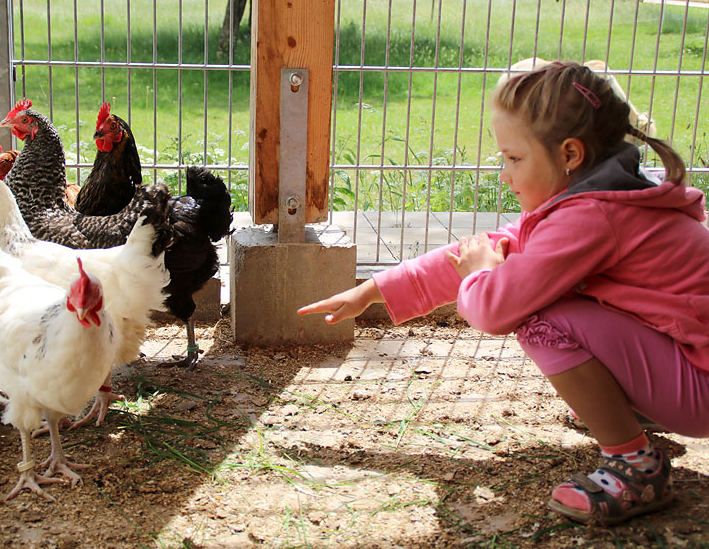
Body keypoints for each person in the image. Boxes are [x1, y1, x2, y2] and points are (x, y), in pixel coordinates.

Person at [298, 62, 709, 525]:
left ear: (570, 154)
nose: (503, 174)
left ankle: (636, 467)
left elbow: (495, 310)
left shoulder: (590, 218)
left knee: (541, 319)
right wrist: (373, 291)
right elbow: (489, 249)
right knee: (555, 299)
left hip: (700, 388)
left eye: (513, 159)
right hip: (691, 366)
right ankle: (635, 412)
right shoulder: (602, 196)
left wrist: (481, 276)